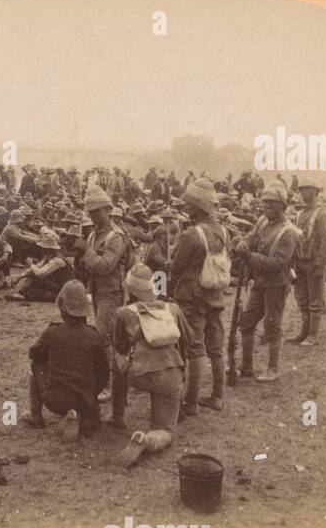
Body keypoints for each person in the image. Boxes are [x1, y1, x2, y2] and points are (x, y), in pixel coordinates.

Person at [111, 263, 193, 466]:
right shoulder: (172, 309)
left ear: (130, 289)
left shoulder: (123, 313)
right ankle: (146, 439)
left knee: (116, 360)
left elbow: (120, 347)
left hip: (139, 374)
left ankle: (118, 416)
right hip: (171, 375)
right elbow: (188, 341)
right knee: (166, 430)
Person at [169, 178, 227, 415]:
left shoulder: (192, 234)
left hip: (192, 297)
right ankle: (217, 396)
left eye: (190, 205)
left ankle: (190, 403)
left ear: (198, 206)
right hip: (215, 294)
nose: (186, 208)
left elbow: (175, 268)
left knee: (194, 348)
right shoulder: (222, 230)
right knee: (216, 347)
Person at [23, 280, 108, 437]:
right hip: (85, 400)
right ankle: (83, 419)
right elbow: (103, 374)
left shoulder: (52, 332)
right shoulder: (94, 335)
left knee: (36, 365)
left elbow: (34, 354)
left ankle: (36, 416)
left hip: (56, 401)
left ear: (62, 309)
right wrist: (91, 394)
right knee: (91, 418)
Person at [235, 187, 299, 382]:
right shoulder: (263, 221)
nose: (266, 206)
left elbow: (278, 264)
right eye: (264, 202)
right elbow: (251, 236)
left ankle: (273, 368)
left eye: (271, 203)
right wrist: (243, 243)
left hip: (276, 284)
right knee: (246, 322)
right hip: (259, 281)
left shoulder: (289, 231)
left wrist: (249, 256)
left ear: (282, 205)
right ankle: (246, 366)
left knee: (272, 325)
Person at [289, 178, 326, 345]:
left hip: (314, 262)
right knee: (302, 299)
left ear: (316, 191)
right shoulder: (300, 213)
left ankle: (313, 336)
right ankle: (304, 333)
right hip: (300, 261)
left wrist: (320, 263)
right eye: (301, 190)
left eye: (307, 189)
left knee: (315, 300)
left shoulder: (322, 213)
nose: (303, 193)